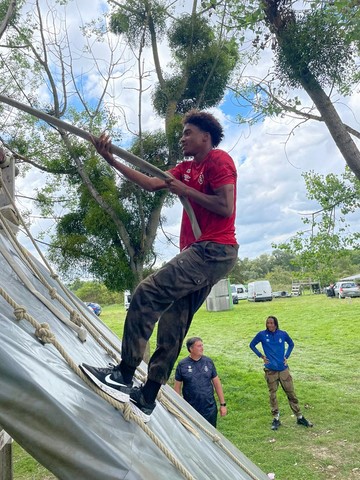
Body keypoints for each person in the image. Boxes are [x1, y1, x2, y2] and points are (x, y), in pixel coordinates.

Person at [80, 110, 238, 422]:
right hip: (204, 253)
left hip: (214, 249)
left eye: (188, 133)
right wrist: (109, 158)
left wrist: (187, 192)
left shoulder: (219, 160)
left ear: (205, 137)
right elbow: (152, 183)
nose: (183, 138)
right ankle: (148, 395)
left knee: (146, 293)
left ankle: (124, 373)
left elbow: (225, 206)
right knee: (173, 325)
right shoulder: (185, 169)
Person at [249, 316, 313, 431]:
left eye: (272, 323)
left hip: (283, 370)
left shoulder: (282, 334)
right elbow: (252, 345)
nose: (270, 325)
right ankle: (276, 418)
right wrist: (261, 356)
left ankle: (300, 417)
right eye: (268, 323)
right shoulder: (262, 335)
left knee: (291, 393)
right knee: (272, 395)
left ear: (276, 324)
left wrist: (286, 356)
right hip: (270, 371)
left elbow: (291, 344)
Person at [174, 337, 227, 427]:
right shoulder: (182, 365)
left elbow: (217, 383)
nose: (202, 348)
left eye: (202, 345)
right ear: (191, 349)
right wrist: (177, 407)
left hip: (209, 408)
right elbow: (177, 388)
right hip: (190, 408)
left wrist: (223, 404)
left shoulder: (208, 362)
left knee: (210, 434)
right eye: (199, 346)